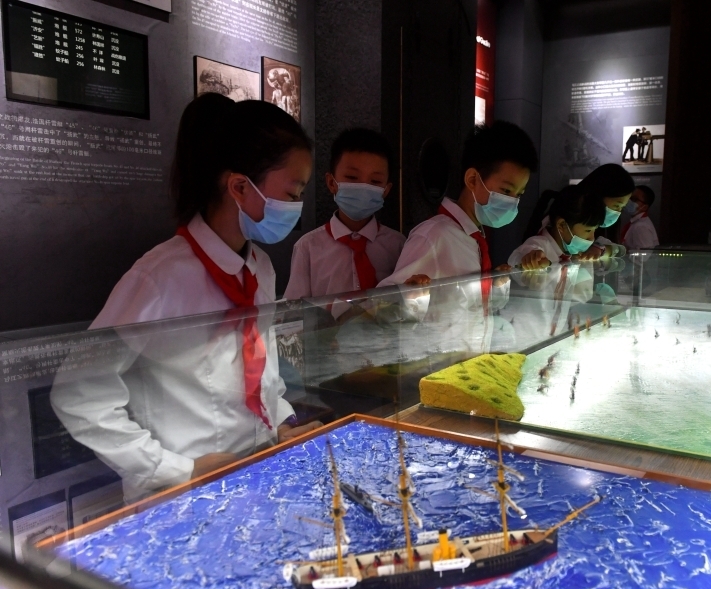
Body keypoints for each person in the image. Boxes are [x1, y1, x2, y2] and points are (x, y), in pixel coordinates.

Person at [51, 94, 318, 499]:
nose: (297, 207)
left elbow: (261, 366)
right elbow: (78, 392)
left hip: (253, 473)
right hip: (183, 494)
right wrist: (176, 469)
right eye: (293, 193)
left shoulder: (259, 267)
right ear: (240, 187)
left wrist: (280, 424)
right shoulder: (160, 278)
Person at [379, 121, 538, 354]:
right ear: (472, 179)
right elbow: (384, 305)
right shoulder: (434, 236)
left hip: (468, 361)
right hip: (434, 365)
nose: (513, 201)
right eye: (506, 191)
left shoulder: (473, 238)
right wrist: (407, 297)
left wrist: (496, 285)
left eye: (519, 194)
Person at [284, 128, 407, 301]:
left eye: (375, 181)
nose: (363, 188)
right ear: (331, 183)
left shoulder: (398, 245)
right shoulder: (307, 248)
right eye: (352, 177)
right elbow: (296, 309)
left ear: (386, 190)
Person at [502, 186, 605, 348]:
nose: (592, 237)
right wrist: (531, 260)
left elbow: (579, 296)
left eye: (594, 230)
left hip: (551, 337)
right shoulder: (538, 246)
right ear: (562, 225)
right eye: (588, 230)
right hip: (523, 339)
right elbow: (519, 259)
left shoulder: (569, 253)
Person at [620, 185, 659, 250]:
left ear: (645, 207)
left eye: (634, 199)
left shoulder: (641, 227)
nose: (629, 201)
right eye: (629, 198)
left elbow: (644, 254)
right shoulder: (637, 223)